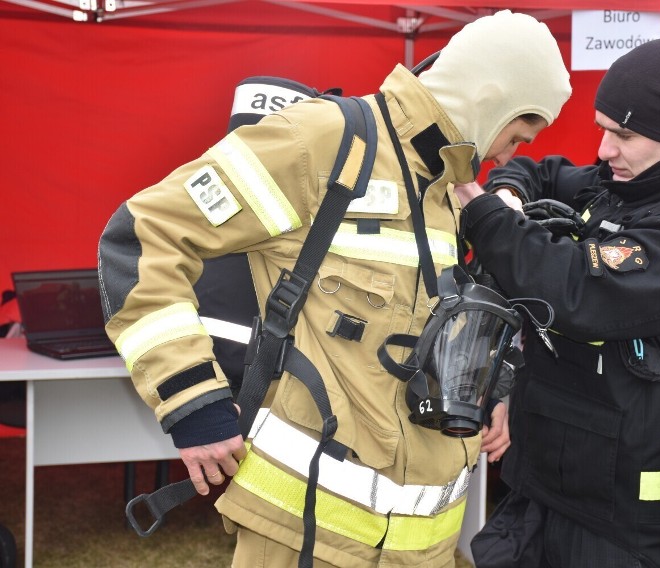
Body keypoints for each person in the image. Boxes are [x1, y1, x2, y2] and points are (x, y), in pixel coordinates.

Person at [97, 10, 572, 567]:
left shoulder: (445, 189)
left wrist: (486, 388)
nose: (507, 157)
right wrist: (192, 402)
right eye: (517, 135)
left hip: (422, 549)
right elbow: (144, 236)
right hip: (305, 538)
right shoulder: (323, 141)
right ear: (490, 100)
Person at [454, 38, 660, 567]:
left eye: (624, 134)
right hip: (541, 484)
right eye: (604, 130)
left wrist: (487, 215)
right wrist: (511, 192)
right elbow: (541, 171)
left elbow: (578, 292)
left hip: (623, 522)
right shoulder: (617, 186)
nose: (606, 150)